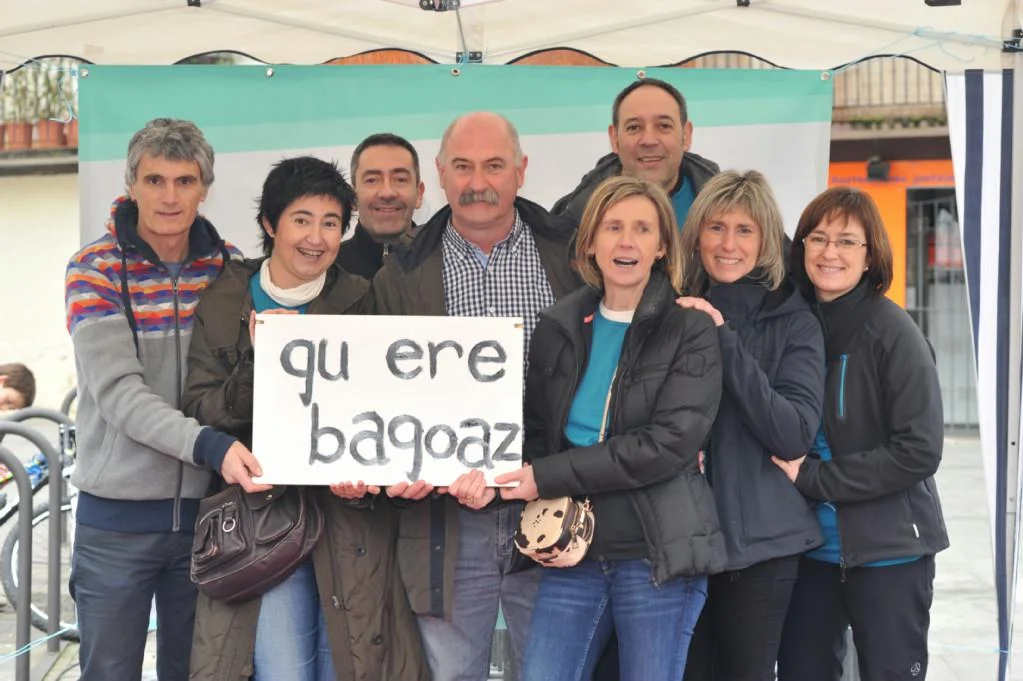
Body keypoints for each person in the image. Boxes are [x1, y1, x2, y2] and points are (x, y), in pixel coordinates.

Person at [182, 155, 427, 681]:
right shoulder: (224, 299)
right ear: (270, 224)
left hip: (350, 526)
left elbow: (390, 412)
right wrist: (260, 361)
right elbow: (201, 409)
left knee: (349, 666)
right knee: (283, 669)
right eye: (302, 220)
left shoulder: (364, 300)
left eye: (331, 223)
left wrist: (367, 475)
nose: (316, 238)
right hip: (264, 523)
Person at [373, 111, 580, 681]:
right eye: (463, 167)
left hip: (552, 503)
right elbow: (385, 398)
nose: (478, 182)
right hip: (447, 523)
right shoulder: (399, 277)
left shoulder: (573, 257)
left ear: (521, 171)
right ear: (440, 173)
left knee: (554, 671)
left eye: (494, 166)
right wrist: (397, 465)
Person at [495, 174, 725, 681]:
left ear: (662, 246)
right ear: (590, 242)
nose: (626, 241)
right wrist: (496, 476)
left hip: (656, 553)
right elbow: (536, 432)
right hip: (571, 553)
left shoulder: (690, 328)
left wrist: (546, 476)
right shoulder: (557, 325)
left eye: (643, 229)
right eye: (613, 227)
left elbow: (666, 445)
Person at [64, 118, 255, 681]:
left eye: (184, 181)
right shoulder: (93, 269)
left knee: (198, 673)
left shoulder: (231, 268)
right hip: (114, 525)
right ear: (131, 185)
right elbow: (119, 395)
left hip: (210, 521)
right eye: (154, 180)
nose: (169, 196)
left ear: (205, 188)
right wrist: (211, 446)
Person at [774, 187, 949, 681]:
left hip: (889, 553)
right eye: (818, 238)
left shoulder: (894, 332)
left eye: (847, 241)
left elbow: (919, 451)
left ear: (870, 256)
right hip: (810, 553)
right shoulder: (795, 326)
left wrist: (815, 478)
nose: (830, 252)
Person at [676, 171, 825, 681]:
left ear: (765, 241)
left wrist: (723, 338)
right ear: (697, 234)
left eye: (744, 230)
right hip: (682, 542)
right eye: (716, 227)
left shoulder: (796, 321)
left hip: (761, 548)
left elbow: (792, 433)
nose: (728, 244)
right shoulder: (673, 308)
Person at [552, 77, 719, 229]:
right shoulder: (572, 222)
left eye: (664, 126)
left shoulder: (723, 208)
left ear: (686, 135)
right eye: (634, 127)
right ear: (614, 138)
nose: (649, 140)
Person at [338, 133, 425, 279]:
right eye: (372, 180)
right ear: (353, 198)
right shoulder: (327, 270)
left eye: (400, 179)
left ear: (419, 194)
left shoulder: (449, 264)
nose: (387, 193)